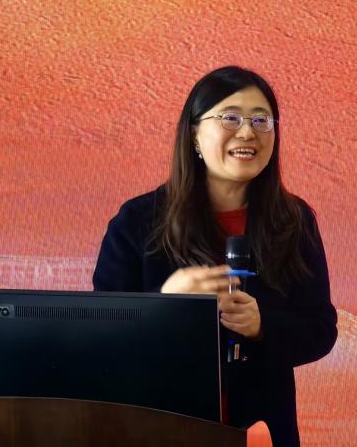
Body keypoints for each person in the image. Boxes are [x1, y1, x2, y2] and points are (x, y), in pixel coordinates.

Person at [93, 66, 337, 446]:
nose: (248, 132)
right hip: (162, 426)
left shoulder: (294, 221)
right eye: (230, 118)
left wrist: (262, 326)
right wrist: (164, 305)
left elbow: (320, 330)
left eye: (261, 120)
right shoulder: (139, 220)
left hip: (261, 430)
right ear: (194, 134)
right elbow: (101, 338)